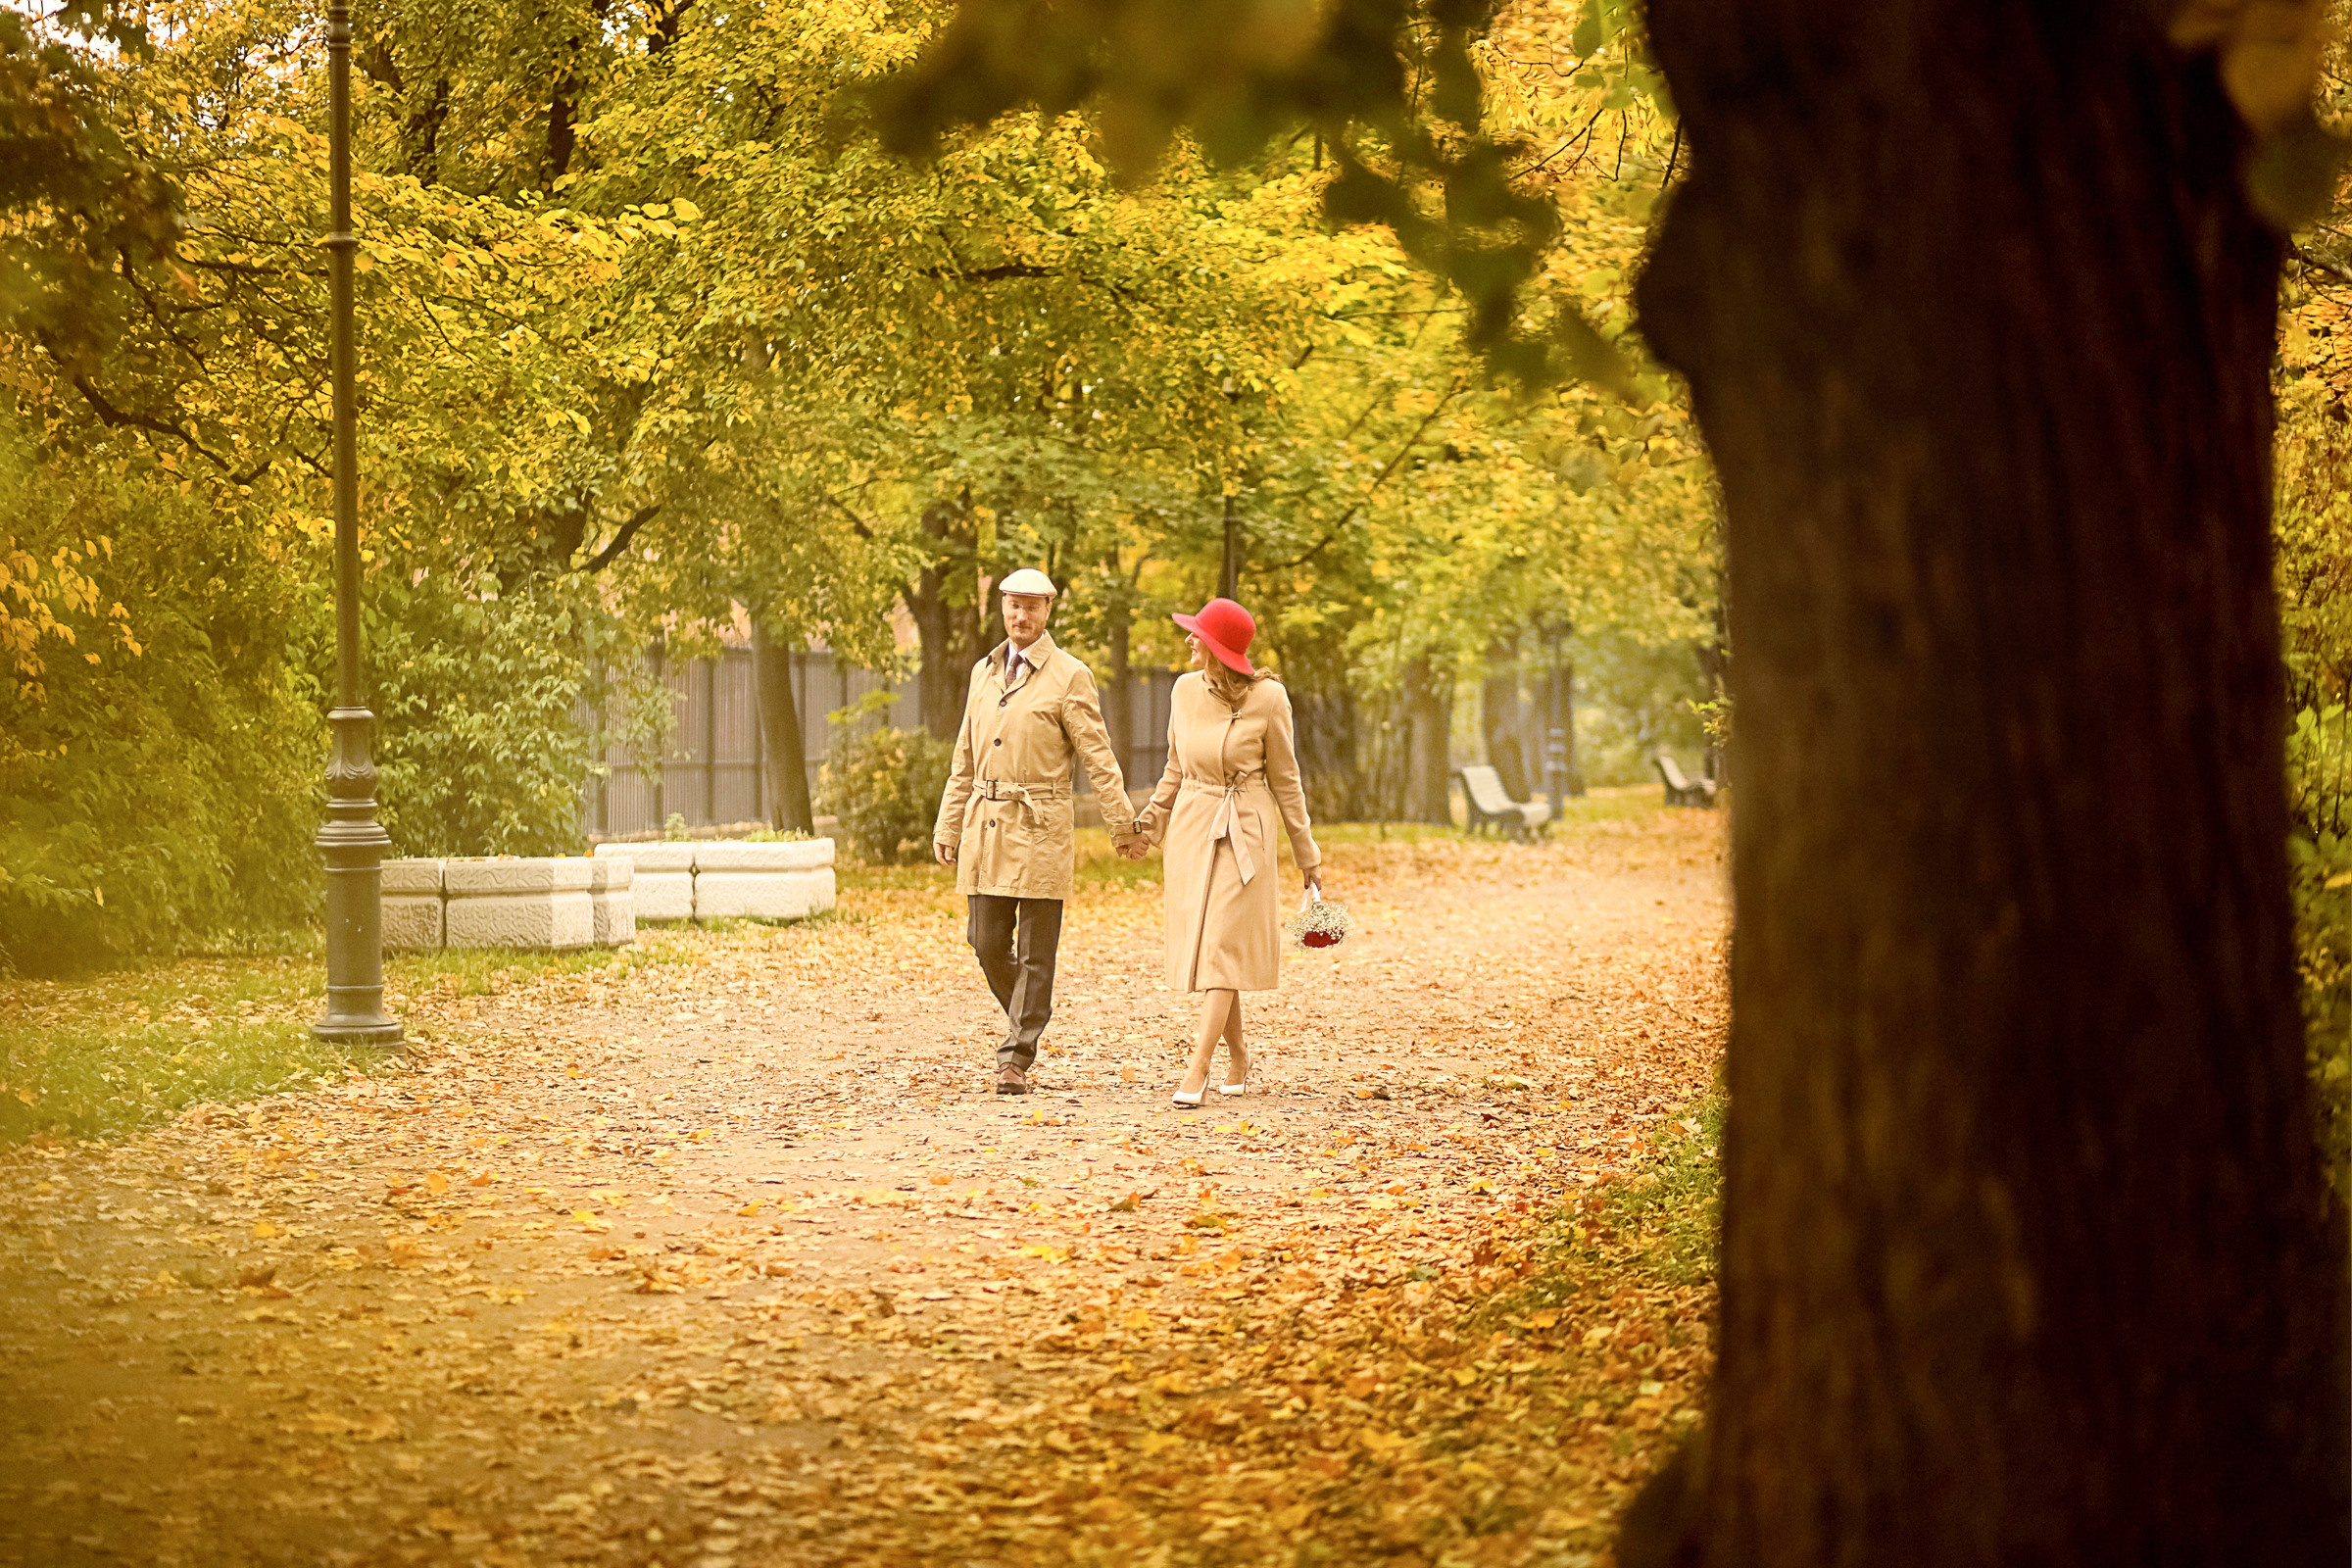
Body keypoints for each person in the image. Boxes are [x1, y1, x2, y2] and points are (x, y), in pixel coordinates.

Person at [934, 568, 1144, 1095]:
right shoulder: (984, 671)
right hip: (985, 826)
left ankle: (1015, 1057)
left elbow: (1099, 758)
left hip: (1040, 826)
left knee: (1035, 953)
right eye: (1012, 606)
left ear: (1048, 611)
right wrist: (949, 822)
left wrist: (1123, 825)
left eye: (1030, 607)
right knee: (983, 942)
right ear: (1001, 608)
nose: (1020, 616)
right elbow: (964, 755)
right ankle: (1032, 1009)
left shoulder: (1070, 676)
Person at [1122, 596, 1324, 1106]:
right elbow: (1173, 767)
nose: (1188, 640)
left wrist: (1307, 853)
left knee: (1222, 944)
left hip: (1246, 828)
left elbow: (1287, 779)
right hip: (1193, 824)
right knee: (1215, 947)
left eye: (1197, 634)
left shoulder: (1270, 699)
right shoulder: (1183, 690)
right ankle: (1239, 1054)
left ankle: (1199, 1066)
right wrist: (1148, 823)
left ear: (1216, 647)